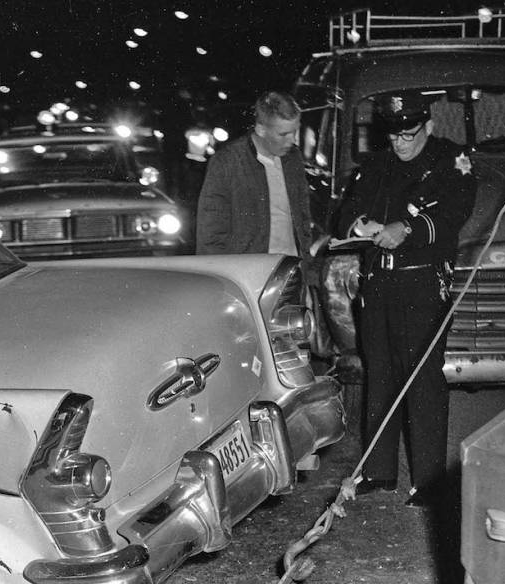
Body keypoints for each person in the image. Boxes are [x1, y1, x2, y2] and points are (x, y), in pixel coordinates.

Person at [335, 90, 477, 508]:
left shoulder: (451, 161)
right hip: (378, 284)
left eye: (409, 134)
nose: (400, 143)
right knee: (380, 375)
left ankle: (430, 481)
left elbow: (455, 213)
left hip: (421, 284)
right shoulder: (376, 165)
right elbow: (346, 214)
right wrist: (360, 226)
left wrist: (408, 230)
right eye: (393, 136)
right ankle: (379, 472)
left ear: (428, 125)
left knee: (422, 379)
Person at [195, 91, 316, 258]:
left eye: (295, 131)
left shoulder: (293, 158)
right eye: (283, 134)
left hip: (290, 270)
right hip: (249, 275)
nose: (292, 140)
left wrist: (306, 262)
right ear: (261, 129)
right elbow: (211, 234)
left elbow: (303, 217)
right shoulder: (227, 162)